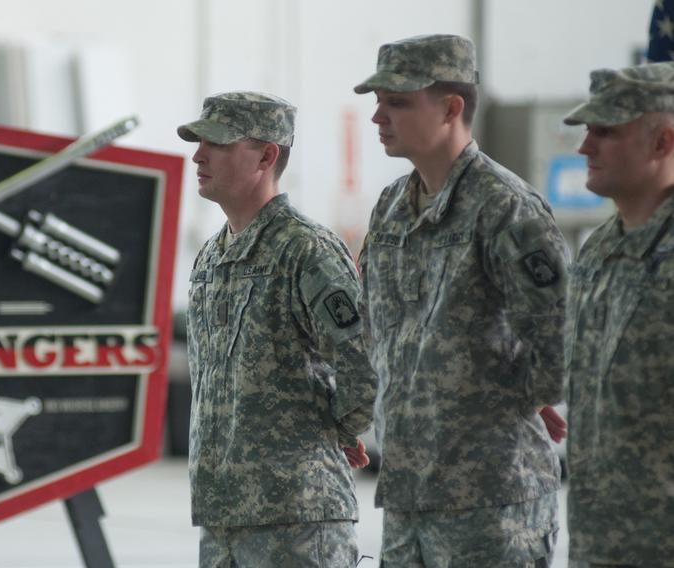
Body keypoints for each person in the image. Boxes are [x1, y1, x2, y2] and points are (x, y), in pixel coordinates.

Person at [353, 34, 568, 566]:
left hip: (490, 501)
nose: (378, 115)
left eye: (397, 102)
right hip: (408, 497)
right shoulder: (391, 208)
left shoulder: (505, 208)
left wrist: (508, 401)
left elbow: (564, 338)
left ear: (451, 108)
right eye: (377, 101)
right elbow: (378, 328)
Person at [178, 91, 378, 566]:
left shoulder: (305, 250)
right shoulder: (211, 257)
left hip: (296, 518)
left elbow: (364, 364)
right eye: (199, 142)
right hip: (223, 516)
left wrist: (337, 432)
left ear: (267, 156)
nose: (198, 155)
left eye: (219, 144)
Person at [562, 62, 674, 568]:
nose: (586, 147)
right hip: (599, 541)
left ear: (662, 141)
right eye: (587, 131)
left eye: (606, 131)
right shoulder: (598, 250)